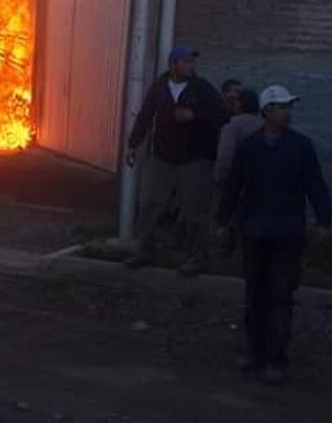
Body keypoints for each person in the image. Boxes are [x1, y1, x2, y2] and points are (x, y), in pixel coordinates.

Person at [217, 85, 331, 386]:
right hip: (254, 231)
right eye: (281, 107)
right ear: (266, 112)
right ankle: (255, 353)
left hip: (288, 233)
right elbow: (233, 186)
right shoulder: (249, 148)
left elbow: (315, 185)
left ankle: (276, 360)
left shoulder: (301, 147)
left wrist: (323, 220)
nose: (287, 112)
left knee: (281, 296)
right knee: (255, 294)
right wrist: (222, 220)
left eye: (289, 107)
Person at [126, 46, 224, 275]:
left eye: (192, 62)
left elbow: (221, 115)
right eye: (186, 62)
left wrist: (195, 116)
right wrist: (133, 145)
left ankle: (196, 257)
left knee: (194, 211)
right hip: (162, 158)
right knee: (150, 204)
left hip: (194, 160)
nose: (191, 66)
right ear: (173, 64)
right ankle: (144, 250)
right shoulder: (159, 88)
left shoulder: (203, 89)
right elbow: (145, 116)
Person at [214, 89, 262, 185]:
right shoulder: (263, 124)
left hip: (237, 181)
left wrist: (218, 177)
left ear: (240, 104)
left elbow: (225, 156)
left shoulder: (232, 125)